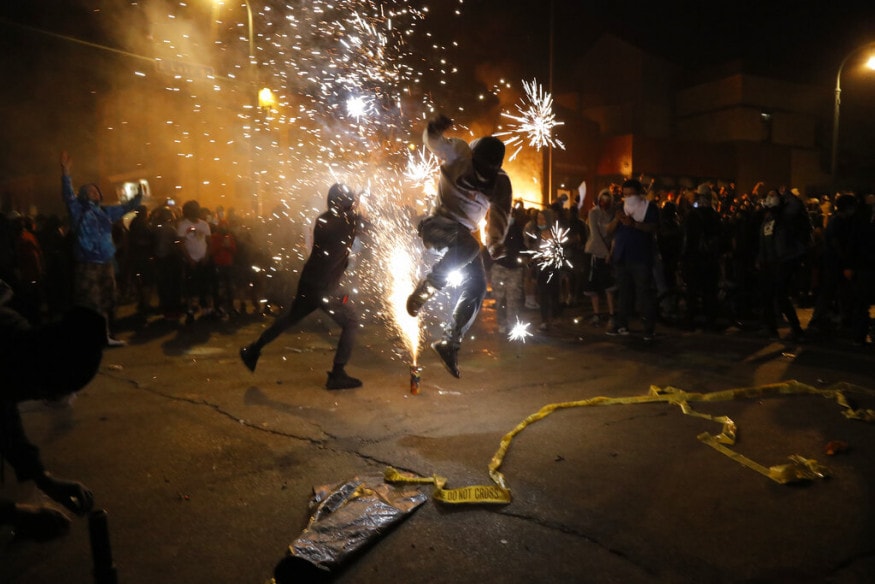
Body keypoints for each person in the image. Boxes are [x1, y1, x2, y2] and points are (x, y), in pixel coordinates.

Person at [405, 114, 512, 377]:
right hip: (436, 225)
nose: (481, 177)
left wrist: (496, 243)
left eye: (488, 171)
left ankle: (449, 342)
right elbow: (435, 143)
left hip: (463, 237)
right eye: (480, 168)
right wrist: (433, 129)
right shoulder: (459, 154)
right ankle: (426, 289)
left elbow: (500, 214)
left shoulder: (500, 183)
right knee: (470, 247)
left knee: (476, 286)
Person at [0, 282, 105, 541]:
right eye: (44, 394)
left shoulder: (15, 340)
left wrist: (43, 478)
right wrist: (16, 513)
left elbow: (4, 413)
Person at [239, 183, 363, 390]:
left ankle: (253, 349)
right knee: (350, 321)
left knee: (291, 318)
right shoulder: (346, 222)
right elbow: (365, 222)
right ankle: (337, 373)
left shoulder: (324, 219)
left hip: (311, 281)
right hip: (325, 287)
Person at [60, 151, 142, 346]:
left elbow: (124, 207)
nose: (94, 193)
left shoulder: (105, 211)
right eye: (89, 191)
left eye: (96, 190)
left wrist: (138, 197)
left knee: (107, 299)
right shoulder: (77, 210)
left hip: (106, 262)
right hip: (87, 263)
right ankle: (88, 337)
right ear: (82, 195)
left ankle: (105, 335)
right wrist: (66, 173)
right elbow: (67, 195)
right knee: (89, 302)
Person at [606, 178, 659, 341]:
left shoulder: (649, 207)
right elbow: (609, 230)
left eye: (631, 194)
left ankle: (648, 328)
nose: (628, 197)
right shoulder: (620, 207)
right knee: (623, 293)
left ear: (639, 193)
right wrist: (617, 219)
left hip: (641, 257)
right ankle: (621, 324)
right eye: (625, 194)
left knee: (644, 292)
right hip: (622, 256)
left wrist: (634, 224)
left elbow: (654, 227)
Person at [490, 205, 527, 334]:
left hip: (514, 268)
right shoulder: (496, 230)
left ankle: (511, 324)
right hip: (500, 267)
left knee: (513, 299)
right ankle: (502, 322)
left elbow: (521, 246)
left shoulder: (517, 229)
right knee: (500, 298)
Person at [583, 189, 617, 327]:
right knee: (593, 286)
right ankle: (596, 314)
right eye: (602, 200)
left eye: (608, 200)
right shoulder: (593, 213)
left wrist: (611, 251)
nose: (605, 203)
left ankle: (612, 314)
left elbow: (614, 236)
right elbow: (595, 235)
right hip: (595, 252)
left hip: (607, 253)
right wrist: (605, 252)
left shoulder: (612, 214)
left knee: (609, 285)